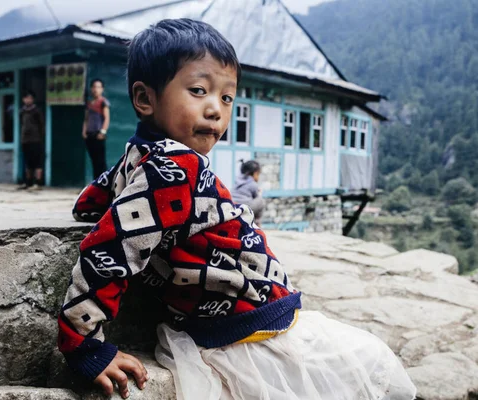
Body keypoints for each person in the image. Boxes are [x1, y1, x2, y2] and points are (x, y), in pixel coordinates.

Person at [59, 19, 416, 400]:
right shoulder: (175, 167)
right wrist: (86, 344)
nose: (216, 109)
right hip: (244, 321)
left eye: (227, 98)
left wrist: (95, 203)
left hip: (245, 309)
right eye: (198, 91)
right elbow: (107, 250)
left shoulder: (143, 158)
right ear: (145, 99)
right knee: (367, 362)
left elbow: (96, 195)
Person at [82, 78, 110, 180]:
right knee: (94, 161)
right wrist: (84, 132)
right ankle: (96, 184)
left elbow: (107, 118)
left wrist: (102, 132)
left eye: (98, 87)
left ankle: (104, 184)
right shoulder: (89, 103)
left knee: (100, 162)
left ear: (102, 89)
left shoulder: (103, 102)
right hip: (89, 135)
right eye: (94, 87)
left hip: (98, 135)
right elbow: (86, 119)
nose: (95, 89)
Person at [18, 90, 44, 190]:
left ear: (33, 99)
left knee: (37, 161)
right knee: (28, 162)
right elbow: (22, 124)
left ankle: (38, 183)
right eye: (26, 98)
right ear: (23, 99)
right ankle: (28, 182)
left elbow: (41, 125)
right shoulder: (22, 111)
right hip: (25, 140)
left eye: (30, 98)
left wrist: (41, 137)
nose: (28, 100)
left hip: (36, 140)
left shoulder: (36, 111)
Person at [231, 160, 265, 225]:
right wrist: (259, 193)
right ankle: (256, 224)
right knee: (261, 201)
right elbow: (256, 197)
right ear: (255, 173)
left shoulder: (237, 181)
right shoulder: (253, 184)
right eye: (258, 174)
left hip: (233, 207)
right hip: (244, 207)